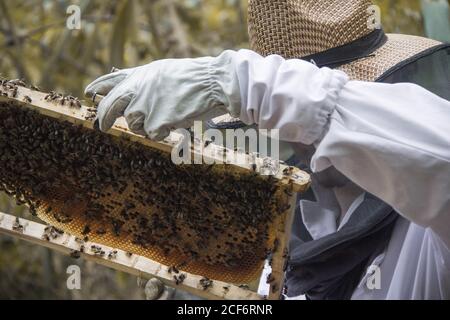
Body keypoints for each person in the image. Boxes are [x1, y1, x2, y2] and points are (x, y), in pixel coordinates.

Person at [85, 0, 450, 300]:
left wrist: (239, 82)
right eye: (286, 126)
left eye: (299, 120)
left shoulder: (429, 234)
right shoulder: (294, 246)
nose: (303, 142)